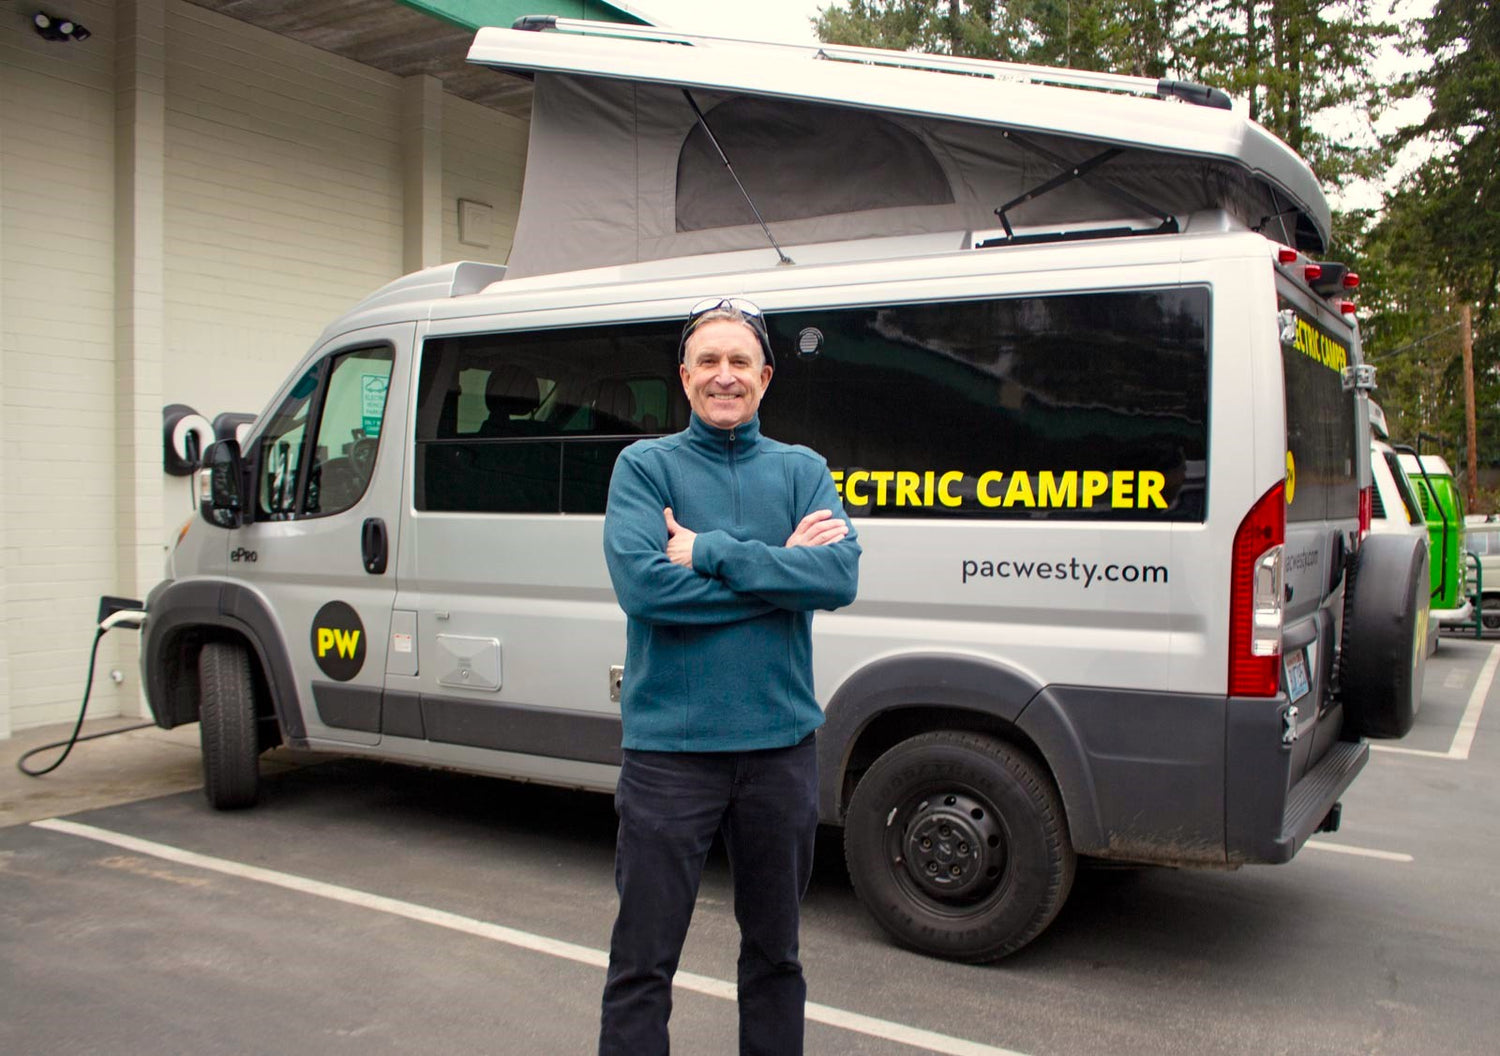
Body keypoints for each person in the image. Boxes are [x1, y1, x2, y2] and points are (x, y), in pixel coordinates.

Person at [598, 297, 861, 1056]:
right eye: (708, 362)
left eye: (739, 362)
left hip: (779, 753)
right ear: (684, 377)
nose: (724, 376)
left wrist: (712, 550)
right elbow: (646, 590)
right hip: (669, 758)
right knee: (643, 964)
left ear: (765, 377)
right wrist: (784, 571)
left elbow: (838, 577)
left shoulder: (802, 469)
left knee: (775, 957)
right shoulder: (646, 467)